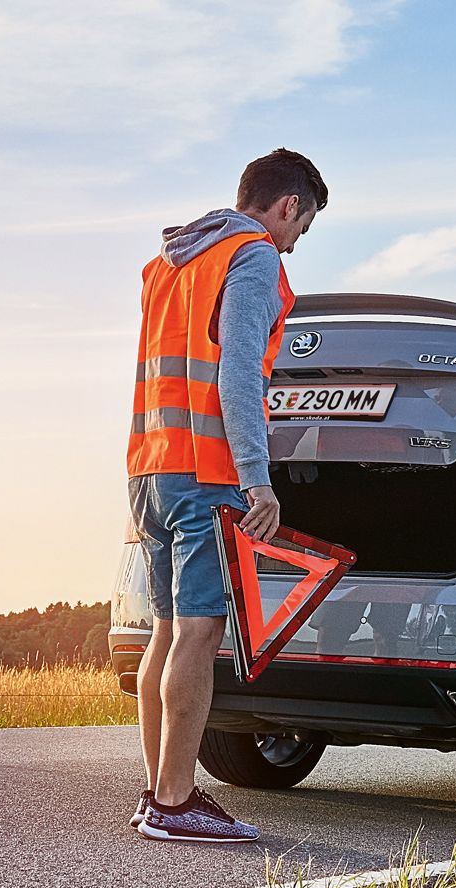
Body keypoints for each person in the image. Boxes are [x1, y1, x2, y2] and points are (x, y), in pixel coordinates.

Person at [125, 149, 327, 842]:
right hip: (209, 470)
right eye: (302, 226)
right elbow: (239, 374)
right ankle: (177, 804)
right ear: (286, 206)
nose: (296, 243)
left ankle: (159, 791)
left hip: (149, 466)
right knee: (199, 631)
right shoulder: (254, 256)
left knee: (164, 630)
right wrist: (256, 479)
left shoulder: (170, 263)